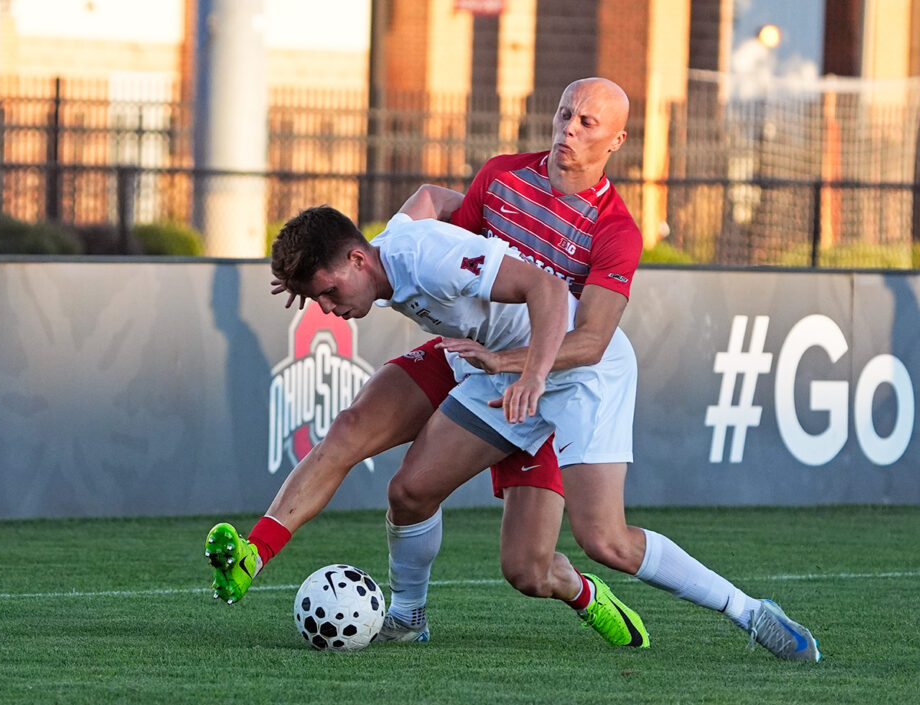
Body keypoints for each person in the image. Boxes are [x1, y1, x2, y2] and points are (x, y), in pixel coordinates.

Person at [209, 76, 820, 661]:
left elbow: (580, 327)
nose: (569, 128)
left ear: (617, 140)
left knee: (602, 541)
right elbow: (430, 201)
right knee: (411, 490)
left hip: (579, 373)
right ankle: (393, 611)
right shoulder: (494, 182)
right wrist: (312, 271)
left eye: (587, 122)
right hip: (496, 364)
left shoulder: (606, 231)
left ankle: (749, 611)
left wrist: (523, 370)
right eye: (564, 114)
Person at [208, 201, 651, 650]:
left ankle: (585, 593)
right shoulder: (381, 254)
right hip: (465, 357)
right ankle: (264, 559)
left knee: (529, 572)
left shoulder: (429, 256)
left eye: (328, 291)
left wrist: (534, 372)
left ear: (357, 260)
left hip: (531, 380)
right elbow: (430, 196)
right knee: (365, 446)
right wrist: (306, 274)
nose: (325, 306)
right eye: (316, 296)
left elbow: (545, 287)